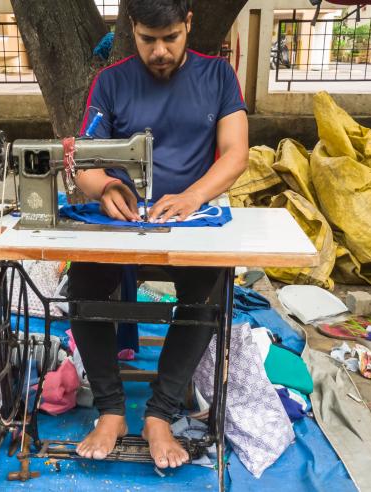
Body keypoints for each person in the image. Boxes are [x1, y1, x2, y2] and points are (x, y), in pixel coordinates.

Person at [71, 0, 249, 470]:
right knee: (83, 285)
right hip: (123, 219)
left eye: (170, 38)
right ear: (132, 29)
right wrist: (106, 185)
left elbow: (234, 154)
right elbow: (85, 161)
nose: (160, 51)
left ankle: (159, 414)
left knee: (208, 289)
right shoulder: (111, 82)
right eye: (148, 40)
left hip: (187, 219)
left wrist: (192, 197)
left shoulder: (218, 77)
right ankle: (111, 410)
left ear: (188, 25)